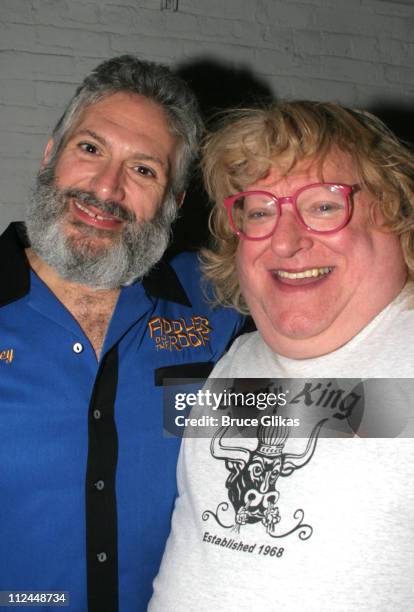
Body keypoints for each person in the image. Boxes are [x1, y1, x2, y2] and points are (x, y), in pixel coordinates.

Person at [0, 55, 244, 612]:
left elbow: (349, 419)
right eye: (90, 149)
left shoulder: (220, 308)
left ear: (173, 202)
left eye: (143, 170)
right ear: (50, 156)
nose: (105, 189)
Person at [149, 101, 414, 611]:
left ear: (396, 211)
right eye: (261, 211)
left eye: (323, 206)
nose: (287, 241)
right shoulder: (233, 358)